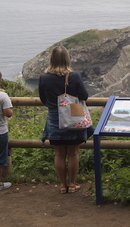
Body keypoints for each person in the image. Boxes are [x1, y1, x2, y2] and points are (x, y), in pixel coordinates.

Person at [39, 45, 94, 194]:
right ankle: (72, 183)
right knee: (73, 153)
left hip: (54, 118)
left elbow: (43, 99)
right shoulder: (74, 76)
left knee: (59, 153)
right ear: (67, 59)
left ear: (52, 59)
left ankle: (63, 185)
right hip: (73, 118)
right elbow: (84, 96)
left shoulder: (44, 78)